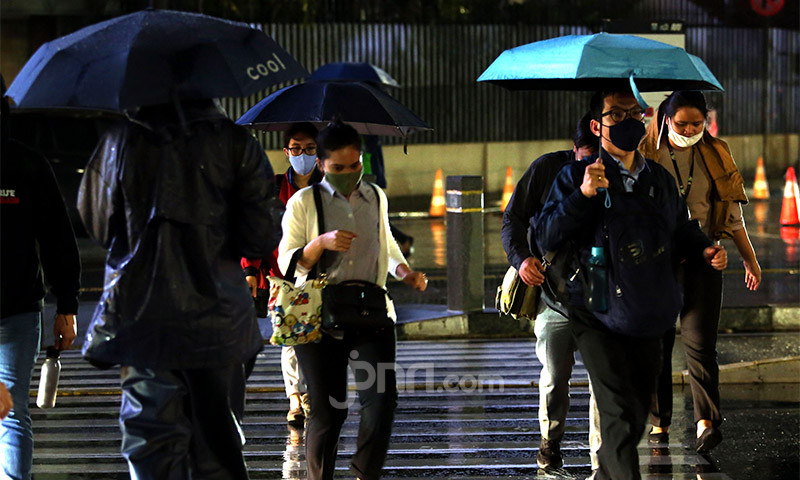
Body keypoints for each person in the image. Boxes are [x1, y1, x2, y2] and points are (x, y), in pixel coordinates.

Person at [78, 98, 284, 479]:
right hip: (221, 320)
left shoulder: (120, 140)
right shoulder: (236, 142)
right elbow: (260, 236)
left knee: (151, 439)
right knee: (217, 443)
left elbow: (98, 224)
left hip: (143, 316)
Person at [536, 90, 728, 480]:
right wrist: (583, 195)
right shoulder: (574, 176)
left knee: (636, 414)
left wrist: (705, 249)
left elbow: (680, 228)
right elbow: (545, 235)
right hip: (595, 311)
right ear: (596, 125)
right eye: (615, 114)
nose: (627, 120)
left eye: (634, 112)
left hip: (647, 311)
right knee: (618, 413)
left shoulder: (656, 179)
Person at [278, 121, 427, 480]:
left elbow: (386, 243)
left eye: (355, 166)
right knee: (329, 412)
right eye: (338, 168)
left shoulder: (375, 196)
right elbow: (287, 260)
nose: (348, 175)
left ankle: (364, 473)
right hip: (318, 318)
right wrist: (320, 243)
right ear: (322, 164)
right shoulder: (303, 202)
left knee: (381, 404)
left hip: (370, 312)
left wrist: (405, 273)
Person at [640, 90, 760, 453]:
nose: (690, 129)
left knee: (701, 345)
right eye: (682, 123)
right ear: (665, 119)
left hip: (706, 256)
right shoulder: (647, 153)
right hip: (655, 263)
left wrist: (748, 258)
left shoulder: (716, 152)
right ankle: (659, 422)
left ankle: (706, 423)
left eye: (697, 123)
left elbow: (730, 211)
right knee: (657, 345)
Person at [501, 112, 603, 473]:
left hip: (601, 303)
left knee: (601, 385)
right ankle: (550, 443)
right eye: (585, 158)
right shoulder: (547, 170)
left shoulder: (620, 177)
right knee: (554, 379)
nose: (592, 166)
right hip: (553, 295)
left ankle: (599, 463)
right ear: (573, 150)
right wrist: (522, 259)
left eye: (599, 158)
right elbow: (512, 219)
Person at [0, 77, 81, 480]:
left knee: (11, 407)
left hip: (19, 308)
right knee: (11, 409)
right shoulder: (28, 162)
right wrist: (66, 308)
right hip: (20, 306)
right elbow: (58, 242)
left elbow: (57, 240)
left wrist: (66, 305)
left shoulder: (27, 164)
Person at [242, 122, 323, 428]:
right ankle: (295, 399)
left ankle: (313, 391)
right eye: (297, 148)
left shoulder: (327, 186)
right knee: (291, 337)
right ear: (286, 151)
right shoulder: (273, 187)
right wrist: (250, 268)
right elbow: (255, 229)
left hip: (320, 273)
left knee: (316, 336)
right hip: (282, 273)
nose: (303, 154)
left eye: (310, 148)